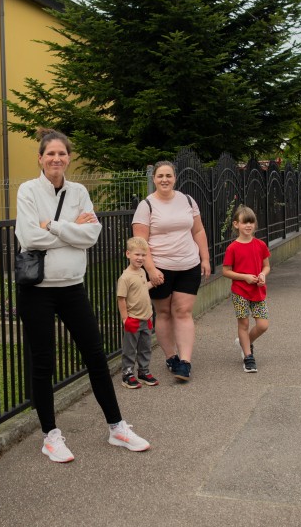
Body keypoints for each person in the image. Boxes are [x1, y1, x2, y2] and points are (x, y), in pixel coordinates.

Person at [16, 128, 150, 463]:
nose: (56, 159)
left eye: (62, 153)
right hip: (37, 291)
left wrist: (53, 225)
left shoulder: (78, 191)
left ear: (68, 158)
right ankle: (50, 435)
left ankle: (117, 427)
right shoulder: (28, 190)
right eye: (50, 154)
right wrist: (71, 228)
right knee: (43, 363)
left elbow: (91, 235)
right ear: (40, 158)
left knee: (96, 356)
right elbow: (28, 237)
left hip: (72, 287)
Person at [131, 160, 211, 381]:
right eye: (160, 176)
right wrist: (151, 269)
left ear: (175, 178)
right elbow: (140, 243)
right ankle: (171, 357)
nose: (164, 179)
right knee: (164, 312)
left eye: (168, 175)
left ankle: (185, 362)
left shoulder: (187, 200)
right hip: (160, 268)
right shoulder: (146, 205)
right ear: (154, 179)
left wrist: (205, 258)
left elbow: (198, 231)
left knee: (183, 312)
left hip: (189, 265)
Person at [221, 206, 271, 373]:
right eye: (245, 222)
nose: (249, 225)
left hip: (258, 291)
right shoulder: (232, 248)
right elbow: (226, 271)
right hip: (240, 291)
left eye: (251, 222)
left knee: (263, 325)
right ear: (236, 224)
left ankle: (245, 343)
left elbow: (266, 266)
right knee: (243, 324)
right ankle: (248, 357)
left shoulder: (260, 245)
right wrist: (245, 277)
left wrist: (263, 275)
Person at [116, 236, 158, 389]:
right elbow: (121, 299)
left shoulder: (141, 272)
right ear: (128, 254)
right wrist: (125, 318)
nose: (140, 258)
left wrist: (153, 283)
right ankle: (127, 374)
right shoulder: (125, 277)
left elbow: (142, 288)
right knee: (130, 349)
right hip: (133, 319)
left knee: (145, 347)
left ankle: (143, 371)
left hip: (146, 318)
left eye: (143, 255)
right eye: (137, 254)